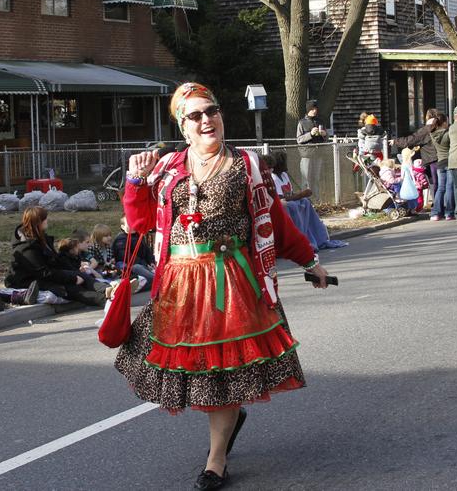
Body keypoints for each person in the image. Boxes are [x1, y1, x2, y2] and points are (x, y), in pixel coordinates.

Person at [117, 82, 328, 490]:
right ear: (183, 127)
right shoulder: (166, 169)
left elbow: (276, 223)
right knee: (193, 373)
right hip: (178, 286)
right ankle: (229, 421)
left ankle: (217, 460)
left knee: (221, 371)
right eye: (194, 116)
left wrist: (310, 260)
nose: (205, 120)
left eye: (211, 111)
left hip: (229, 282)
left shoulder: (246, 165)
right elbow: (140, 224)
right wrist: (135, 182)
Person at [7, 207, 107, 307]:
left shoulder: (42, 238)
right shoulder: (26, 247)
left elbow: (55, 261)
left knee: (81, 275)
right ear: (38, 222)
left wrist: (74, 271)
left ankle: (108, 290)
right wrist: (72, 278)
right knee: (71, 288)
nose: (47, 221)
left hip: (47, 275)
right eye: (45, 219)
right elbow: (43, 272)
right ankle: (105, 301)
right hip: (29, 280)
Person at [264, 152, 347, 250]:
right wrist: (301, 194)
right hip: (281, 204)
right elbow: (281, 198)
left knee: (306, 202)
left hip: (290, 200)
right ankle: (299, 241)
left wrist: (302, 196)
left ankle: (318, 237)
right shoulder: (273, 177)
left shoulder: (284, 175)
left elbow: (290, 193)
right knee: (293, 206)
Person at [392, 109, 440, 204]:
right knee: (440, 183)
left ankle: (437, 204)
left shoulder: (425, 131)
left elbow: (412, 139)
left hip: (431, 159)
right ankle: (441, 203)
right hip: (441, 158)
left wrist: (396, 141)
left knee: (434, 183)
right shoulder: (442, 128)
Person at [111, 217, 156, 290]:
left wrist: (151, 261)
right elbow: (126, 256)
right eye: (129, 224)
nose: (133, 225)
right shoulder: (121, 239)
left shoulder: (138, 235)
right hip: (128, 266)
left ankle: (152, 282)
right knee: (137, 267)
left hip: (143, 265)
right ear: (122, 227)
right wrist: (145, 264)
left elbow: (147, 250)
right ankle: (157, 280)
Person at [296, 98, 328, 191]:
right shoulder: (302, 122)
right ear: (308, 109)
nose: (315, 110)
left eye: (316, 108)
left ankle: (317, 201)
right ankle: (305, 202)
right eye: (313, 108)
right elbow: (299, 139)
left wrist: (325, 134)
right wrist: (310, 134)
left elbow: (326, 138)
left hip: (318, 154)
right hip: (307, 155)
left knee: (317, 179)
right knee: (306, 180)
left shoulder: (320, 121)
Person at [430, 112, 455, 221]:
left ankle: (436, 212)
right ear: (444, 123)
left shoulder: (433, 134)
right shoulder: (448, 134)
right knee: (449, 187)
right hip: (450, 161)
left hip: (440, 162)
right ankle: (449, 212)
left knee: (441, 188)